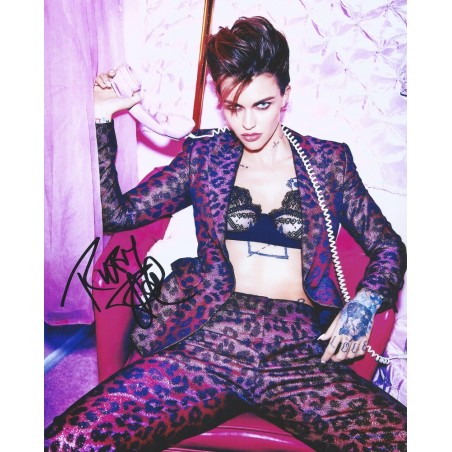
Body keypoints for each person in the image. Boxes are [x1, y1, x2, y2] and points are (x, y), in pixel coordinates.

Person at [45, 16, 407, 451]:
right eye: (234, 107)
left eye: (262, 105)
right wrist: (102, 116)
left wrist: (365, 303)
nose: (248, 122)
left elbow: (388, 246)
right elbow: (117, 214)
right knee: (69, 439)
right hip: (209, 335)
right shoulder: (204, 155)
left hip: (296, 348)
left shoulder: (328, 162)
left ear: (286, 96)